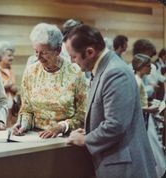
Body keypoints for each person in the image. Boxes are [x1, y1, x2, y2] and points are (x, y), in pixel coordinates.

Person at [65, 24, 157, 178]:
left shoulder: (114, 72)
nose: (72, 61)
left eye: (73, 56)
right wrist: (90, 130)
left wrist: (85, 139)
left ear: (90, 52)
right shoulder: (105, 67)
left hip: (125, 167)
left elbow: (116, 124)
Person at [12, 23, 87, 138]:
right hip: (35, 137)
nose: (38, 57)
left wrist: (62, 126)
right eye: (36, 51)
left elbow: (83, 114)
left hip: (66, 138)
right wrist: (23, 125)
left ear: (58, 50)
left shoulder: (75, 72)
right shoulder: (31, 72)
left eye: (44, 52)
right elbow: (26, 109)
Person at [132, 53, 166, 178]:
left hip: (145, 116)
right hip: (143, 117)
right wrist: (149, 109)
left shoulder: (139, 80)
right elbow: (135, 106)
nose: (151, 68)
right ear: (142, 66)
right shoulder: (137, 81)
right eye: (148, 66)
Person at [0, 41, 21, 127]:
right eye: (9, 55)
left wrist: (15, 89)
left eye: (12, 55)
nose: (12, 57)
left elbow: (13, 87)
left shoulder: (11, 71)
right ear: (0, 56)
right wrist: (6, 86)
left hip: (10, 107)